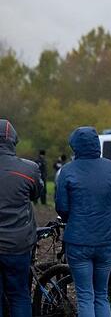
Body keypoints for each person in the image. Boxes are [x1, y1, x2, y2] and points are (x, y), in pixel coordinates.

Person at [55, 127, 111, 317]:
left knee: (85, 296)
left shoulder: (67, 171)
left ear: (75, 146)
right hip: (105, 239)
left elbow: (62, 207)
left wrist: (74, 220)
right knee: (102, 294)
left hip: (78, 241)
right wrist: (106, 216)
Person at [0, 120, 43, 317]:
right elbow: (36, 194)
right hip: (18, 244)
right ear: (13, 141)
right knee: (19, 295)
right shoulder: (29, 169)